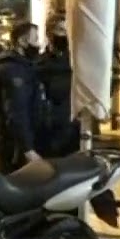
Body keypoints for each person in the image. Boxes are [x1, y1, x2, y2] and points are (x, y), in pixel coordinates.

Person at [0, 22, 44, 173]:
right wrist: (27, 149)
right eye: (35, 39)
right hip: (14, 147)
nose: (38, 44)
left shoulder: (22, 65)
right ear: (22, 41)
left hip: (16, 143)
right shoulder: (12, 69)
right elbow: (16, 110)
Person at [37, 21, 80, 158]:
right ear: (49, 34)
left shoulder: (76, 60)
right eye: (61, 30)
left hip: (74, 125)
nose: (65, 34)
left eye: (67, 30)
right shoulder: (39, 62)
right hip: (49, 127)